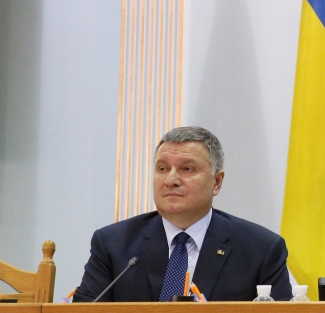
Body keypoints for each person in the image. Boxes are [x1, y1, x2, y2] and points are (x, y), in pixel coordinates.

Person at [74, 127, 292, 302]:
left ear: (216, 182)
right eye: (162, 168)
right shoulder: (113, 244)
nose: (171, 180)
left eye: (187, 169)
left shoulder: (260, 249)